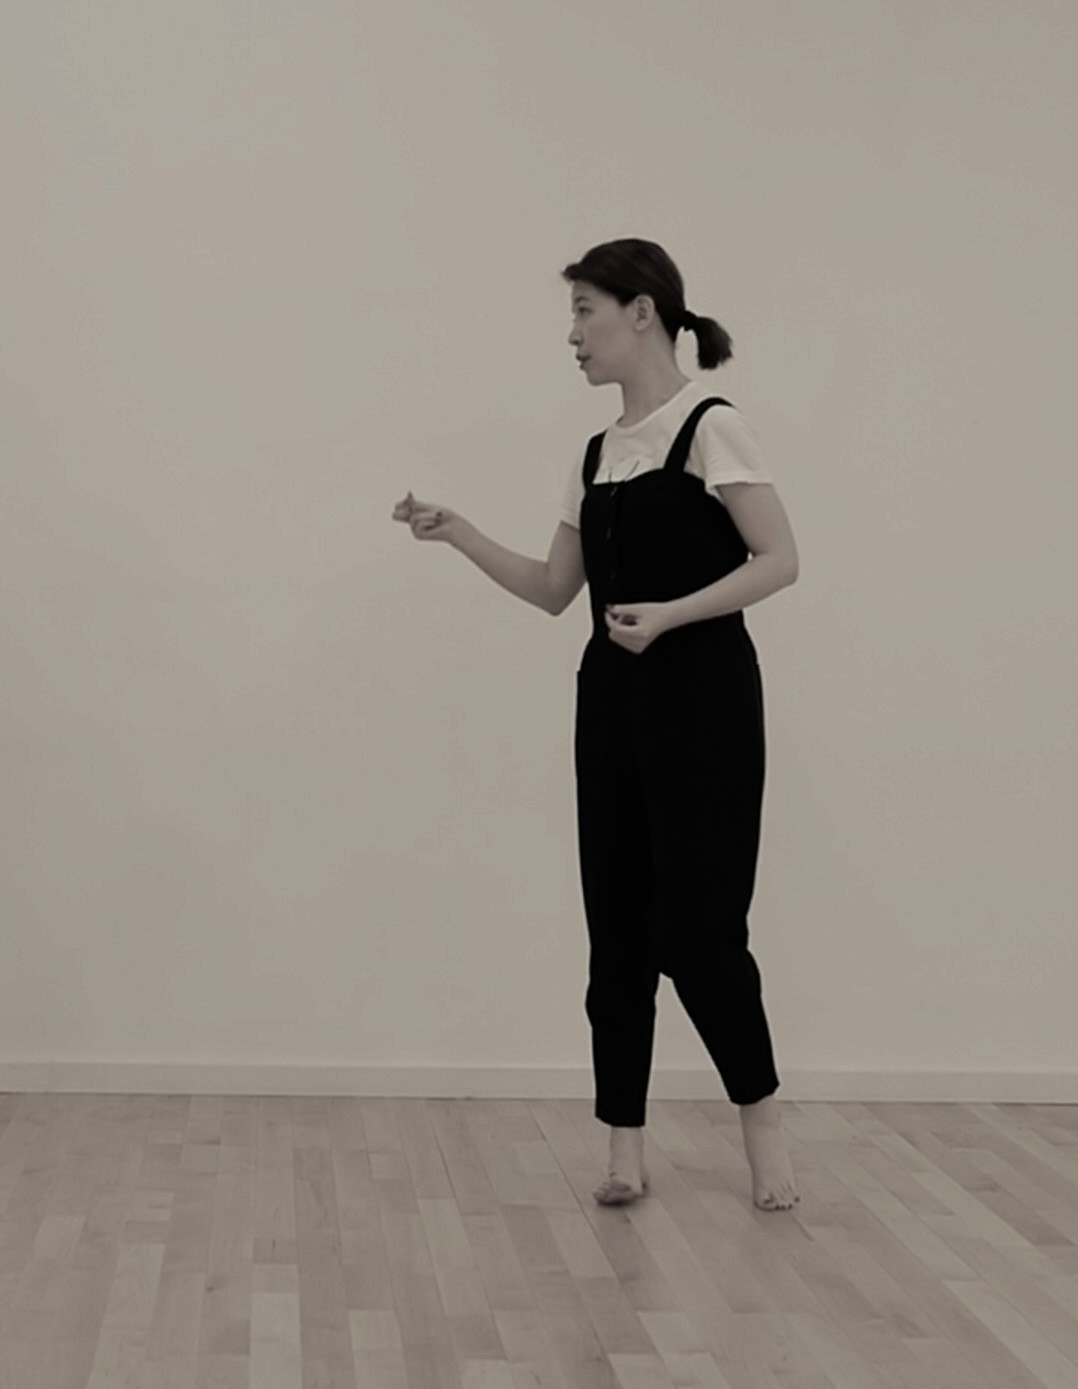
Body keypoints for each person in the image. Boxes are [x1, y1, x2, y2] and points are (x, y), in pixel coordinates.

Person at [392, 238, 800, 1211]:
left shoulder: (710, 426)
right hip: (610, 704)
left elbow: (779, 559)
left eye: (584, 310)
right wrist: (458, 533)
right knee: (615, 928)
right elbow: (552, 589)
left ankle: (762, 1123)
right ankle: (623, 1144)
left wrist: (668, 615)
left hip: (704, 703)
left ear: (641, 311)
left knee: (698, 932)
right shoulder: (595, 454)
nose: (571, 334)